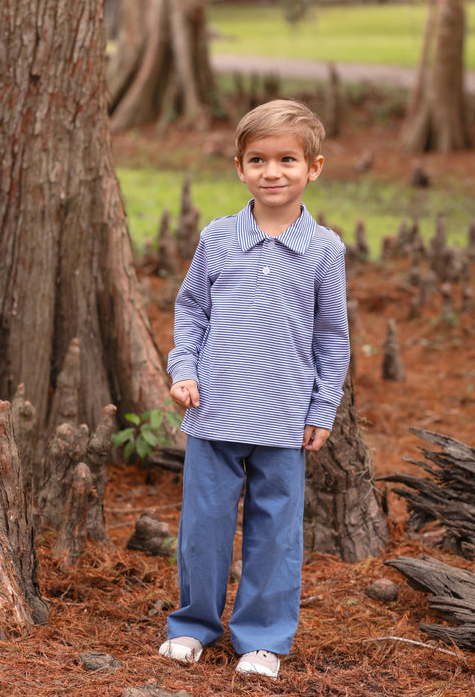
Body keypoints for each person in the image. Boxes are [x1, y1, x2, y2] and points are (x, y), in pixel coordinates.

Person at [159, 99, 350, 679]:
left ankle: (263, 638)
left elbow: (332, 337)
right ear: (239, 168)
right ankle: (193, 626)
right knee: (204, 529)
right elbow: (191, 309)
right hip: (214, 412)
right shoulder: (219, 239)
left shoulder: (324, 250)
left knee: (275, 534)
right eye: (259, 159)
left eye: (287, 159)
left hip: (284, 418)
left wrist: (323, 407)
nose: (273, 171)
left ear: (313, 167)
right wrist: (183, 369)